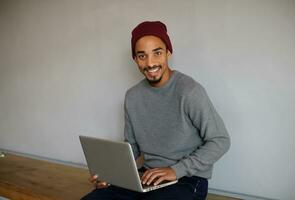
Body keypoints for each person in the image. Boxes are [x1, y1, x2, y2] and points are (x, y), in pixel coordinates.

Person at [81, 21, 230, 200]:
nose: (150, 63)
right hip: (147, 176)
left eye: (157, 53)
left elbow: (220, 140)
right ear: (135, 59)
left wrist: (176, 170)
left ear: (168, 52)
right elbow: (132, 147)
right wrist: (111, 174)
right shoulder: (132, 96)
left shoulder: (189, 91)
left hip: (187, 179)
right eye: (142, 56)